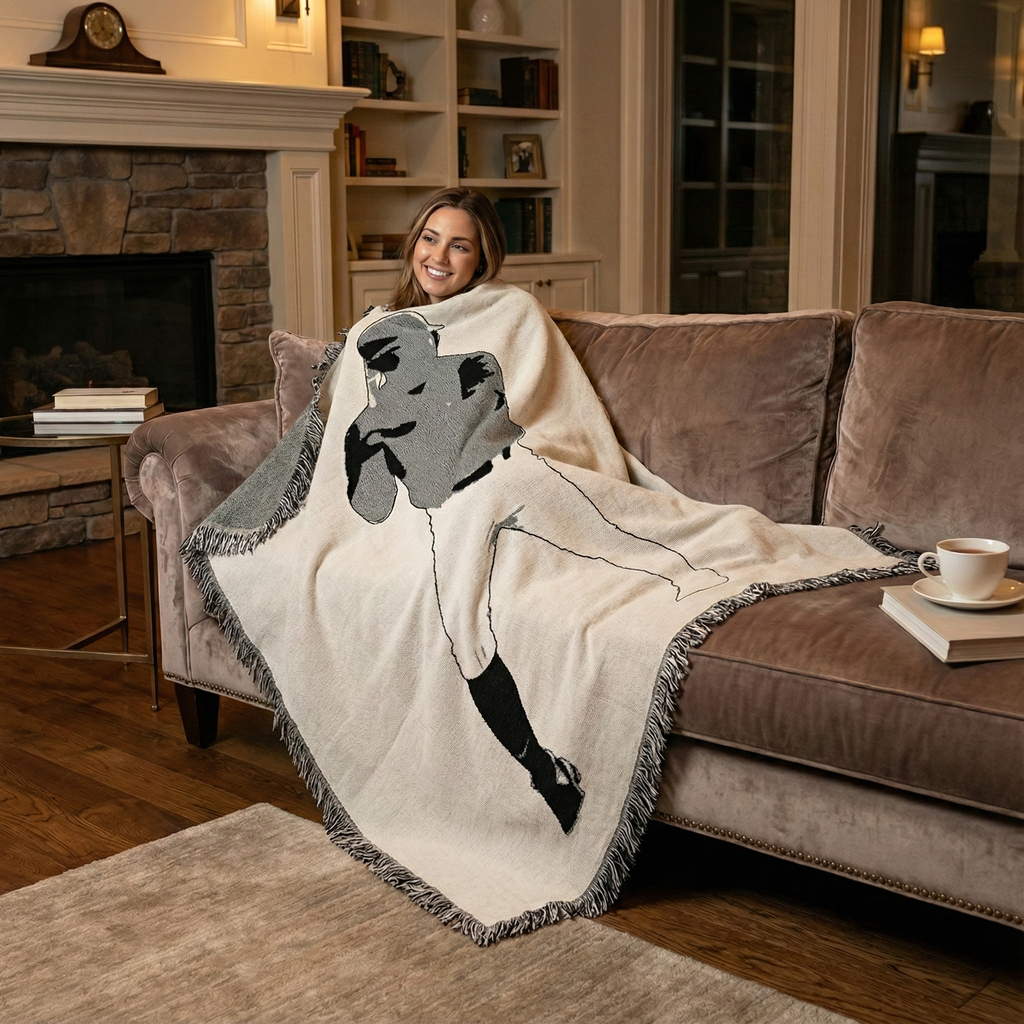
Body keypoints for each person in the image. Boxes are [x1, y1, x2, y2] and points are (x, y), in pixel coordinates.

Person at [345, 189, 726, 834]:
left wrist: (428, 412)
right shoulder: (370, 349)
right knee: (464, 638)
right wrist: (371, 444)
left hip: (518, 476)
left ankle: (715, 575)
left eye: (459, 244)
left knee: (627, 548)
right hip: (452, 518)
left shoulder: (499, 325)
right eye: (430, 238)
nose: (439, 255)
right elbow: (367, 506)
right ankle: (545, 774)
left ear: (481, 257)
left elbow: (521, 406)